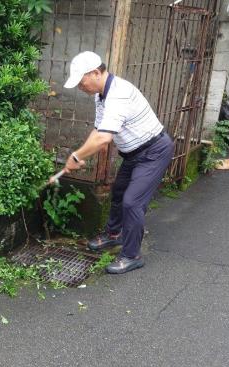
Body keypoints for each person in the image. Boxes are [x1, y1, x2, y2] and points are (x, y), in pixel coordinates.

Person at [62, 51, 175, 274]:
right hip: (133, 153)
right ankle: (114, 234)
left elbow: (104, 138)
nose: (80, 87)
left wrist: (76, 156)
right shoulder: (100, 95)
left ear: (95, 73)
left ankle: (132, 255)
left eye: (81, 81)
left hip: (154, 150)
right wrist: (80, 155)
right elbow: (98, 133)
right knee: (119, 193)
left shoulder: (119, 94)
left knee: (132, 202)